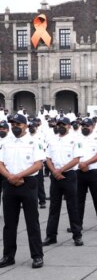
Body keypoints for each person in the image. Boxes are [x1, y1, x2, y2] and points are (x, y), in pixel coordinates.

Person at [0, 114, 45, 268]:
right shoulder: (6, 142)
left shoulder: (34, 141)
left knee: (32, 222)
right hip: (9, 183)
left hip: (28, 183)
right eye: (12, 124)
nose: (15, 127)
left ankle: (37, 256)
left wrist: (19, 175)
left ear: (25, 126)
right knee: (9, 223)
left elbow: (38, 165)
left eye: (18, 124)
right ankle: (8, 256)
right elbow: (0, 163)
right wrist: (10, 177)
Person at [42, 117, 84, 246]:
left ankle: (77, 235)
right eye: (58, 124)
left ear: (69, 126)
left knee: (73, 206)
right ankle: (51, 236)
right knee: (54, 207)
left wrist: (60, 170)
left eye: (63, 124)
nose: (60, 126)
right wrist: (54, 171)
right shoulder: (52, 140)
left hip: (69, 175)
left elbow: (76, 159)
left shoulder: (75, 140)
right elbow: (48, 158)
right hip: (55, 176)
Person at [77, 118, 97, 232]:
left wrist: (86, 163)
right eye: (83, 125)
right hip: (79, 171)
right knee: (79, 199)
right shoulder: (77, 138)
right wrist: (80, 164)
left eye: (87, 125)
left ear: (93, 127)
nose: (85, 127)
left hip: (94, 171)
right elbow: (73, 155)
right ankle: (78, 224)